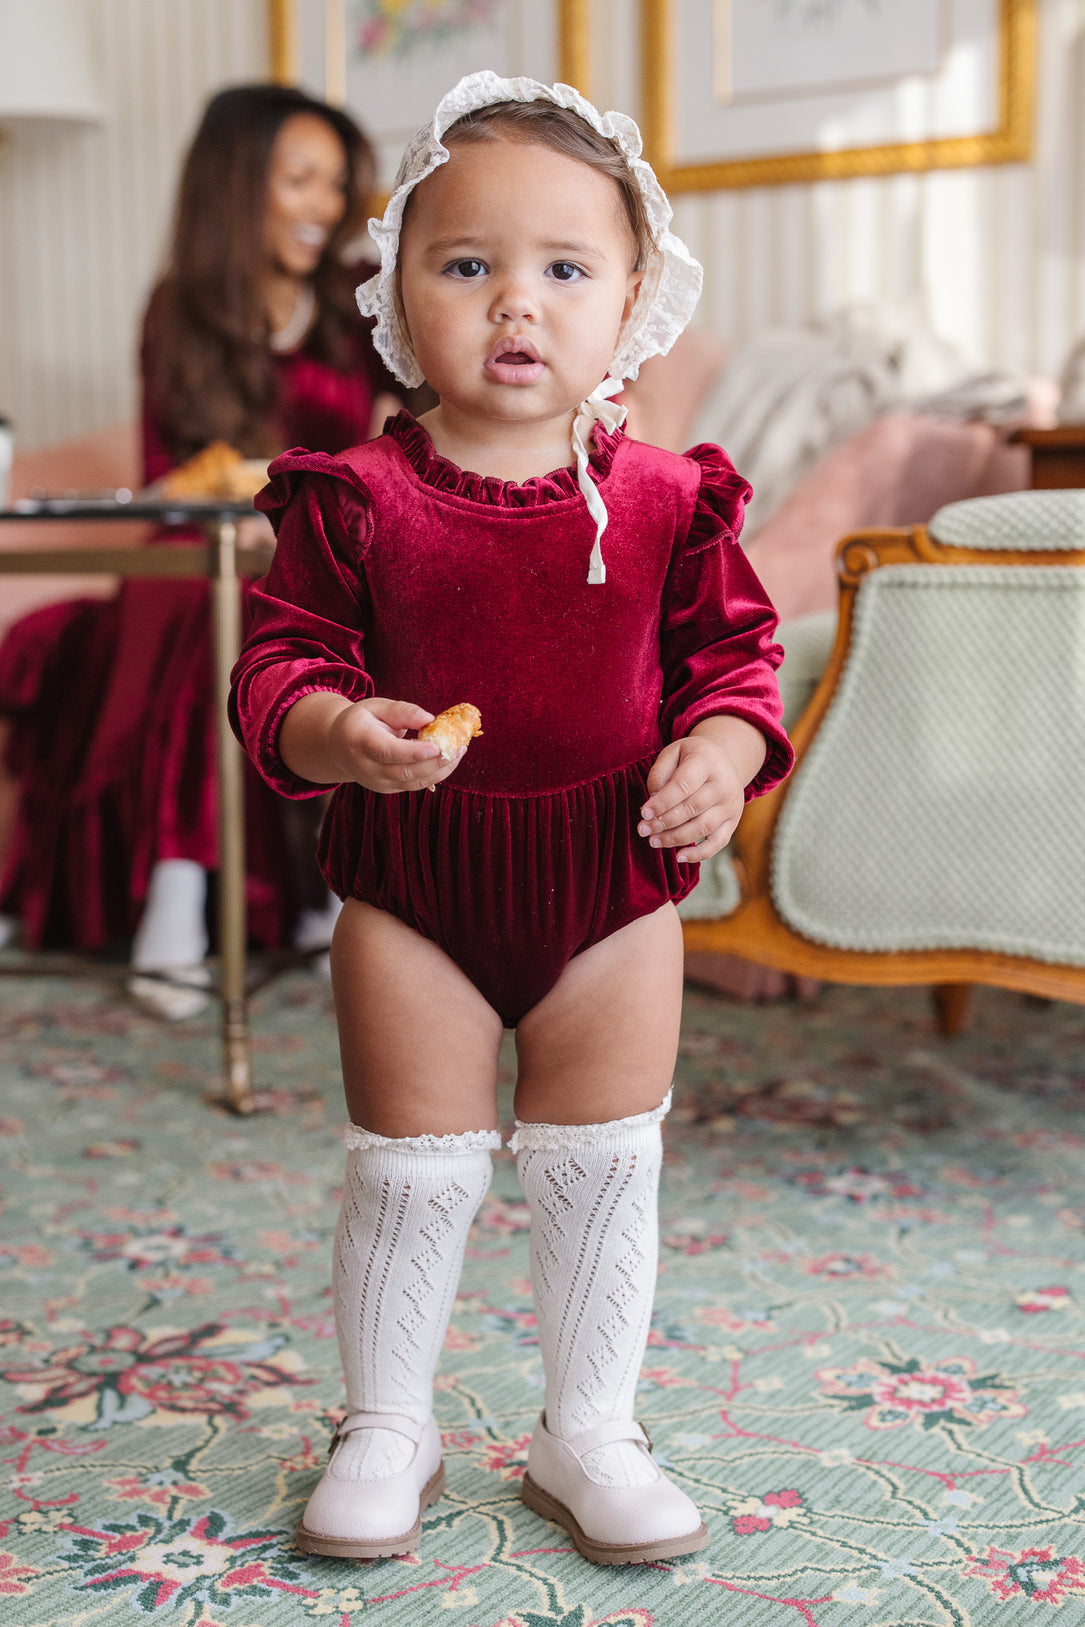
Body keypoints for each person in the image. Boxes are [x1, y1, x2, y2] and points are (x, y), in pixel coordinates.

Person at [230, 73, 793, 1565]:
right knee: (411, 1171)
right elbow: (277, 662)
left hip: (611, 887)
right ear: (400, 297)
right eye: (467, 266)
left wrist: (723, 750)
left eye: (564, 269)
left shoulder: (671, 497)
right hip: (416, 890)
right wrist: (338, 728)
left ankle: (586, 1424)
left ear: (631, 301)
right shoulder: (351, 499)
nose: (514, 305)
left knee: (601, 1165)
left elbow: (736, 660)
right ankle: (386, 1418)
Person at [0, 83, 403, 1017]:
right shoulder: (176, 309)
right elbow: (167, 474)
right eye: (298, 179)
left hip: (317, 561)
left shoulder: (356, 309)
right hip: (194, 556)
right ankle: (191, 895)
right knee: (207, 611)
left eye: (334, 184)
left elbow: (401, 441)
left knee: (267, 613)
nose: (323, 206)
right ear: (234, 184)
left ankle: (221, 900)